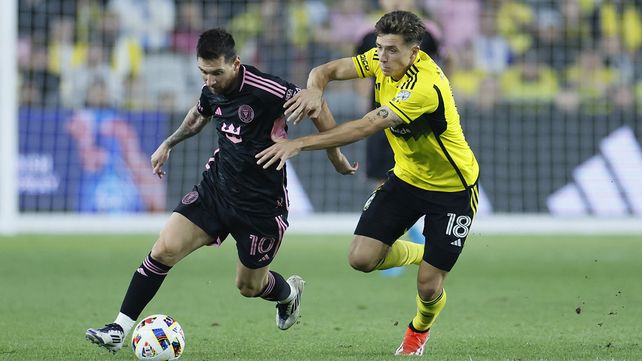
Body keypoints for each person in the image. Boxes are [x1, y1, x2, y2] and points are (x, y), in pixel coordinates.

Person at [85, 28, 357, 354]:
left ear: (236, 63)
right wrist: (169, 143)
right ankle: (119, 329)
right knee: (163, 249)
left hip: (260, 206)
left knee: (249, 286)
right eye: (203, 72)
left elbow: (318, 106)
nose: (210, 80)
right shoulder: (210, 89)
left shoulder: (267, 89)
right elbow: (198, 116)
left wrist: (335, 155)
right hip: (216, 189)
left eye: (216, 72)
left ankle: (288, 295)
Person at [256, 11, 479, 356]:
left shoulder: (424, 88)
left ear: (415, 53)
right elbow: (325, 71)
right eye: (380, 48)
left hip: (453, 189)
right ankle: (427, 253)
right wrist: (314, 90)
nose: (383, 57)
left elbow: (364, 127)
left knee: (428, 285)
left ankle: (418, 331)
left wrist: (299, 143)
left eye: (392, 50)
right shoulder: (378, 59)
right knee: (360, 258)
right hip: (406, 179)